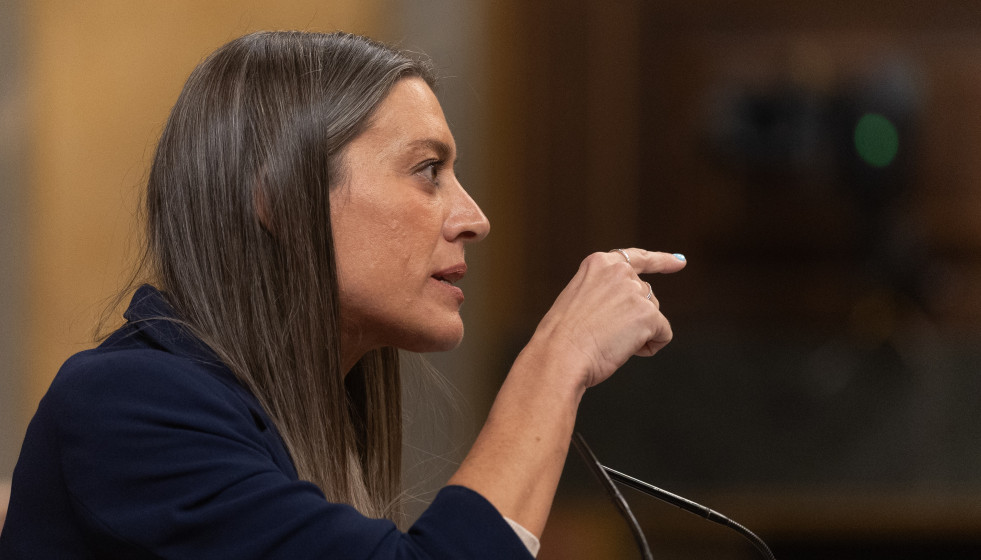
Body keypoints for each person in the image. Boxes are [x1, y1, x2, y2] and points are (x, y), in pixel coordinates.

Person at [0, 31, 686, 559]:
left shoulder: (288, 406)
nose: (473, 218)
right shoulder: (128, 400)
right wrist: (557, 358)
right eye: (427, 171)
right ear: (277, 197)